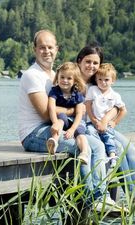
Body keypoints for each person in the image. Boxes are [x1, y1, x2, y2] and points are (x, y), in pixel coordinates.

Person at [18, 30, 121, 213]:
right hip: (34, 132)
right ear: (35, 49)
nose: (46, 51)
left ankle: (101, 198)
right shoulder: (32, 75)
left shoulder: (56, 75)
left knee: (97, 145)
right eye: (42, 47)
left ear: (57, 49)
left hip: (56, 127)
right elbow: (44, 113)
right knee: (89, 147)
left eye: (50, 47)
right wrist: (75, 110)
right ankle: (94, 199)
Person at [76, 44, 135, 219]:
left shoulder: (98, 82)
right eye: (88, 61)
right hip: (84, 127)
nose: (92, 66)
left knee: (130, 148)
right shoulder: (72, 79)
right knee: (118, 149)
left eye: (96, 63)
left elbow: (115, 106)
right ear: (79, 61)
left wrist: (108, 119)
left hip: (102, 125)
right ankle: (129, 196)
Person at [46, 62, 89, 165]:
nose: (65, 80)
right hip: (63, 120)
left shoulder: (77, 94)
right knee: (61, 117)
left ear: (75, 80)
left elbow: (79, 114)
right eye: (62, 77)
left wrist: (72, 129)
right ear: (57, 77)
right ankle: (54, 141)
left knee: (80, 132)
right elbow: (51, 108)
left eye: (69, 78)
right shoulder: (55, 91)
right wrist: (55, 122)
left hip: (75, 121)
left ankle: (84, 153)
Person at [85, 63, 127, 168]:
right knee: (90, 132)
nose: (103, 82)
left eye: (106, 80)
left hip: (107, 124)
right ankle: (102, 154)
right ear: (96, 80)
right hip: (93, 122)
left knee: (109, 138)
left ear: (113, 81)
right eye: (100, 79)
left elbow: (123, 110)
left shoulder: (115, 95)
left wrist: (114, 122)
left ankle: (112, 157)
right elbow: (88, 106)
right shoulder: (92, 90)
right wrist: (94, 121)